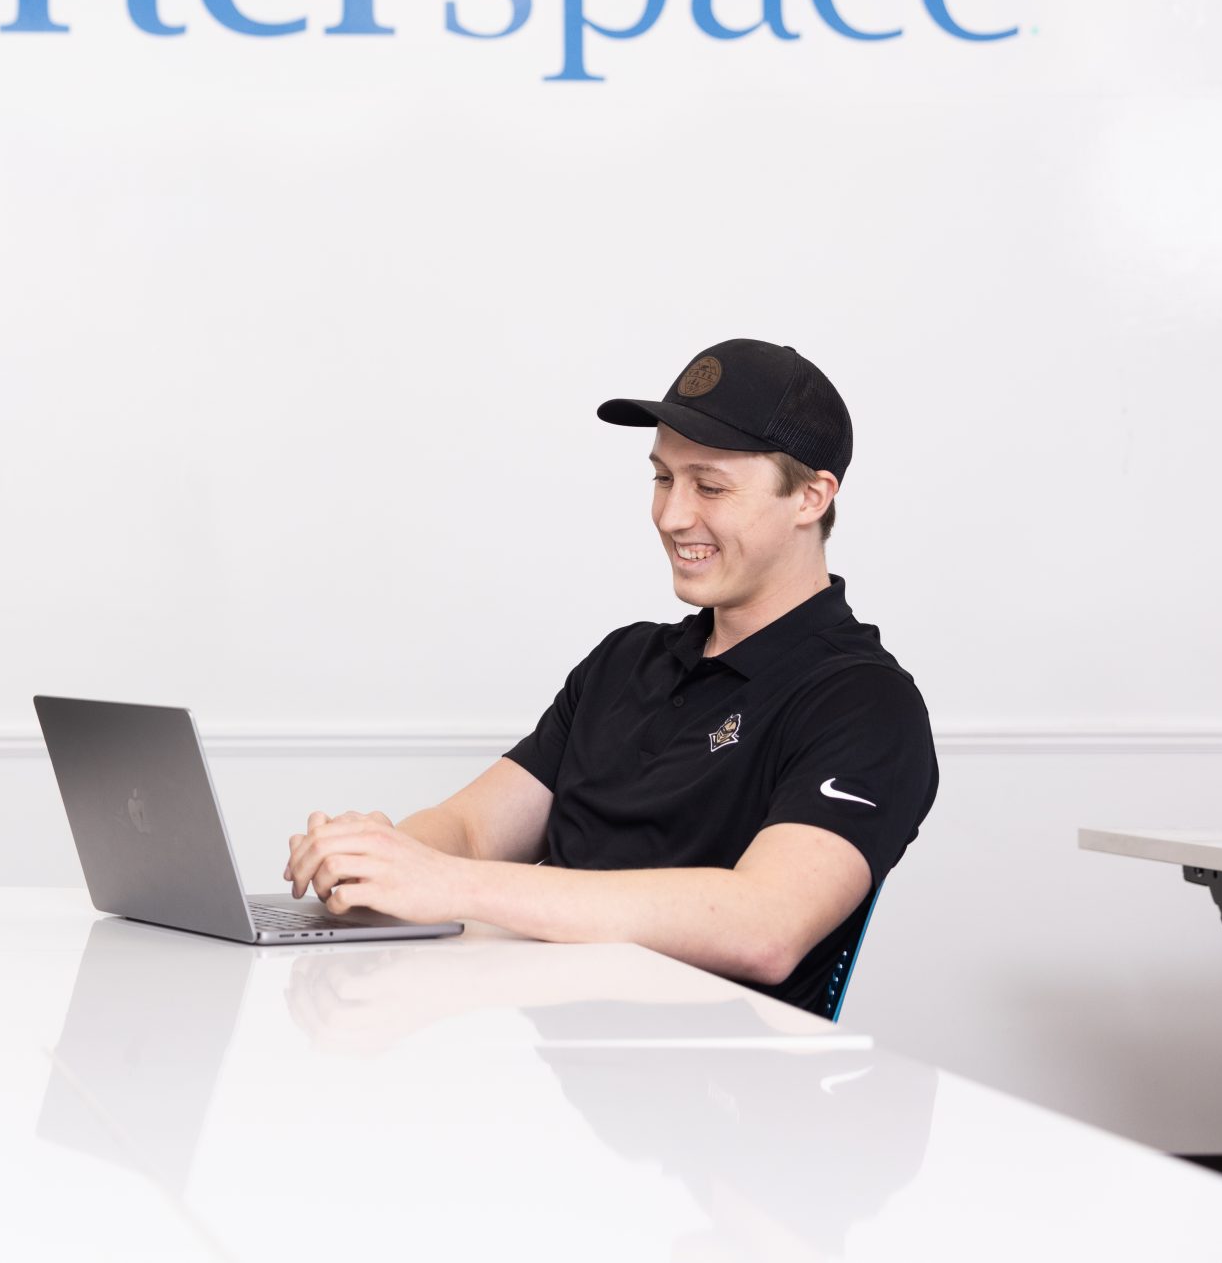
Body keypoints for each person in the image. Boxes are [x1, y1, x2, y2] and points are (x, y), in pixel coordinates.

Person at [282, 340, 935, 1019]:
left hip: (719, 1101)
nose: (672, 515)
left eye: (709, 486)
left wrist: (450, 885)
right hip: (541, 1067)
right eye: (662, 478)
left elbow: (764, 925)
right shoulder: (625, 662)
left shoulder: (864, 704)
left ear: (810, 496)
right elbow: (472, 830)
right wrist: (376, 860)